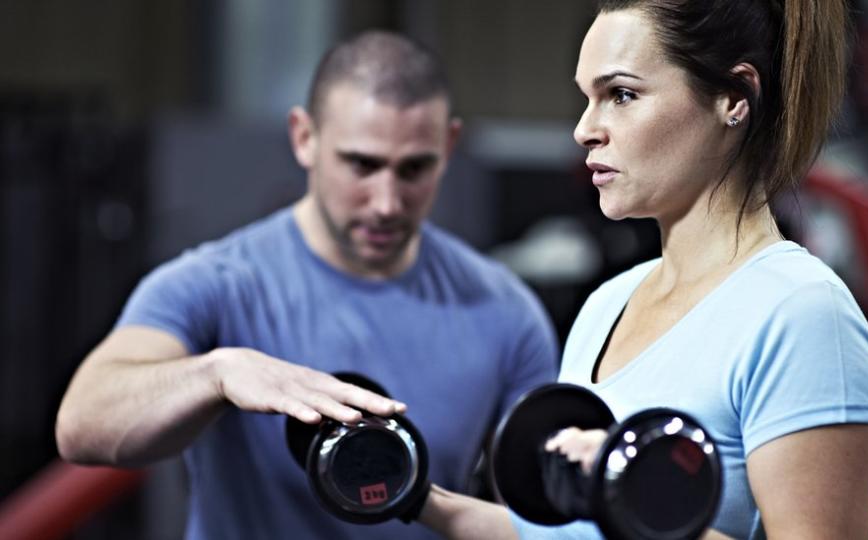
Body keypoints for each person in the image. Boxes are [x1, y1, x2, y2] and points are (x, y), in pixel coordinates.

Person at [55, 31, 558, 540]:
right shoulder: (216, 284)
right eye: (361, 164)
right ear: (304, 138)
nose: (386, 201)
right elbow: (81, 425)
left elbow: (537, 518)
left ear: (448, 146)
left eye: (414, 169)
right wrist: (215, 374)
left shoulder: (505, 310)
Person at [416, 1, 868, 539]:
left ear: (733, 99)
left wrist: (637, 489)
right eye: (587, 99)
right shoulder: (606, 305)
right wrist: (415, 493)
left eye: (621, 95)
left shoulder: (803, 317)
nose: (584, 130)